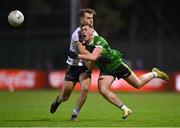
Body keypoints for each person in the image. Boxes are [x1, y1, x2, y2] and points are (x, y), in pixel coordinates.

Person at [68, 24, 169, 119]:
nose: (83, 32)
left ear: (92, 31)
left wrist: (77, 56)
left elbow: (94, 57)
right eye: (82, 30)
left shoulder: (99, 41)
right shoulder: (85, 44)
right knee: (103, 90)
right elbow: (89, 60)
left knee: (138, 84)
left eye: (85, 29)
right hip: (106, 70)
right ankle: (125, 109)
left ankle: (155, 73)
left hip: (117, 64)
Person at [50, 8, 98, 121]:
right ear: (81, 19)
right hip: (73, 67)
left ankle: (74, 114)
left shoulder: (94, 34)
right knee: (65, 96)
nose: (91, 20)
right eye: (88, 18)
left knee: (85, 89)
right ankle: (58, 100)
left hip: (86, 67)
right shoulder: (77, 34)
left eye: (92, 18)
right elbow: (82, 52)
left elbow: (99, 48)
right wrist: (95, 56)